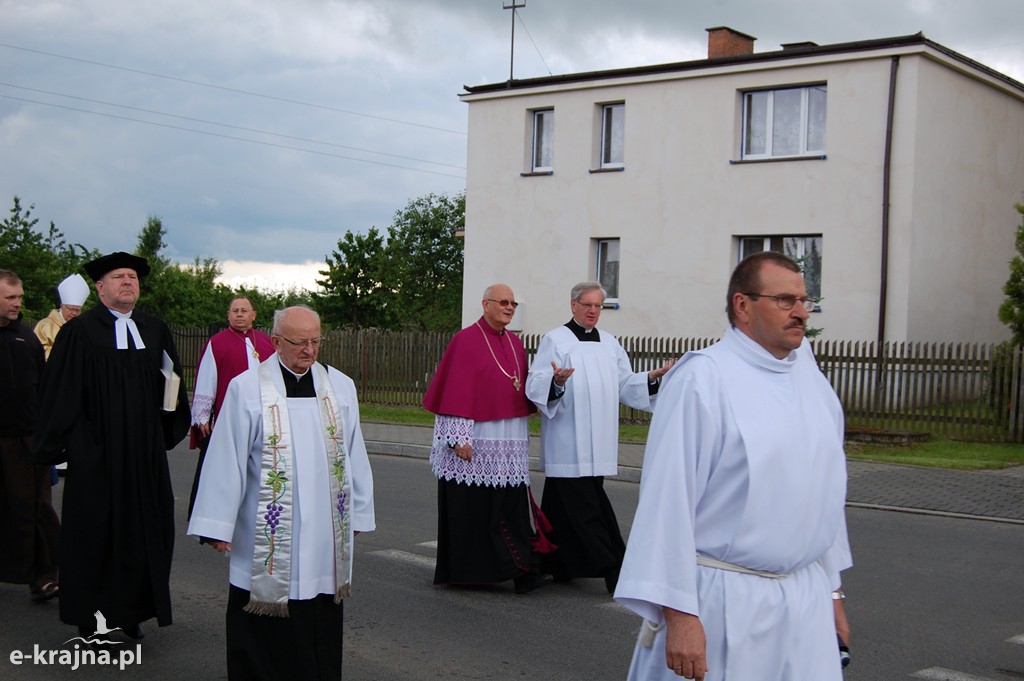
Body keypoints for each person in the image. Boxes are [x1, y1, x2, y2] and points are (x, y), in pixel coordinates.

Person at [615, 251, 852, 680]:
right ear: (742, 305)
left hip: (807, 599)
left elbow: (823, 494)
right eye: (785, 300)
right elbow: (668, 505)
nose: (801, 312)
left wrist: (832, 591)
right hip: (726, 601)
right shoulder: (703, 380)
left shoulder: (810, 378)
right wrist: (681, 616)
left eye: (805, 300)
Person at [188, 305, 375, 681]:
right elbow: (227, 459)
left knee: (317, 619)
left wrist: (357, 510)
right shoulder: (247, 389)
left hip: (324, 533)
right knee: (263, 631)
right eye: (300, 342)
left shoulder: (339, 387)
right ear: (275, 341)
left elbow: (354, 452)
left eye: (316, 341)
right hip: (266, 531)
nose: (310, 350)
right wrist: (217, 525)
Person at [33, 251, 191, 641]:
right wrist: (59, 445)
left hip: (143, 453)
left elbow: (172, 383)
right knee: (94, 534)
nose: (127, 282)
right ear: (100, 287)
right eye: (119, 276)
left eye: (133, 277)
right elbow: (60, 393)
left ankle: (133, 611)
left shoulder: (154, 330)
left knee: (143, 531)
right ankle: (91, 616)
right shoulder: (80, 333)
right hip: (96, 454)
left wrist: (165, 429)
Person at [525, 281, 674, 593]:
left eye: (598, 306)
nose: (593, 311)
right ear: (573, 305)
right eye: (587, 304)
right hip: (568, 439)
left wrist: (649, 379)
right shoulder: (556, 339)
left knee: (561, 507)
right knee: (586, 508)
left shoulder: (609, 342)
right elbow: (536, 382)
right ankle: (614, 566)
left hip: (600, 440)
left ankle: (556, 563)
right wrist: (556, 382)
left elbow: (624, 384)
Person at [422, 283, 553, 594]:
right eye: (503, 302)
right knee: (476, 509)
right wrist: (457, 438)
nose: (509, 307)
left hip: (510, 439)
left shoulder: (516, 343)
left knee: (510, 506)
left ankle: (522, 569)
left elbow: (523, 388)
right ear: (486, 304)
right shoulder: (465, 341)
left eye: (513, 303)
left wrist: (554, 384)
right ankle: (473, 572)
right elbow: (454, 392)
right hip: (477, 438)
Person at [0, 270, 61, 603]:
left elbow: (45, 388)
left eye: (19, 297)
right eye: (10, 297)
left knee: (36, 510)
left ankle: (45, 575)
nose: (17, 303)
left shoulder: (27, 338)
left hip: (26, 441)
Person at [187, 295, 274, 516]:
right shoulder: (217, 343)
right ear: (228, 315)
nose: (239, 314)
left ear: (253, 315)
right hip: (228, 417)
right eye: (235, 310)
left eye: (244, 310)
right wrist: (203, 415)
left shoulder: (267, 343)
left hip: (264, 417)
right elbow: (207, 377)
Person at [33, 273, 90, 359]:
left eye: (77, 310)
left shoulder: (83, 327)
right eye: (71, 309)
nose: (74, 313)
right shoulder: (44, 325)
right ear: (62, 306)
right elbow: (39, 350)